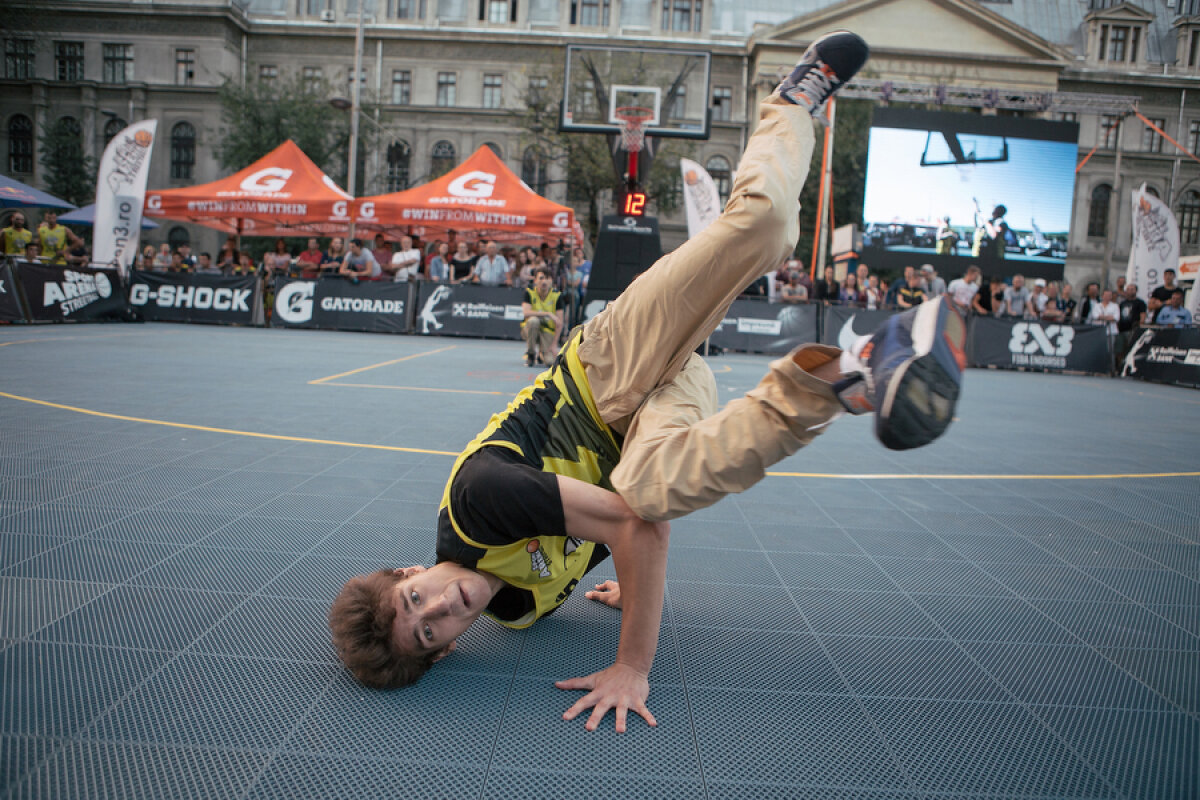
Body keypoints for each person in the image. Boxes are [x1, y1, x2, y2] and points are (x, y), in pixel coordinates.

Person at [329, 33, 966, 733]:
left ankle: (793, 104)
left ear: (404, 572)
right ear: (446, 652)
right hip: (660, 410)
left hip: (604, 370)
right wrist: (624, 578)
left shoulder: (477, 503)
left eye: (416, 600)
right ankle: (858, 370)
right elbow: (628, 523)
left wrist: (632, 658)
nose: (440, 609)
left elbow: (633, 531)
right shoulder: (518, 612)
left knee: (764, 226)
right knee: (652, 490)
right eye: (429, 632)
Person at [520, 264, 565, 367]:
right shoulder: (529, 292)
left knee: (550, 362)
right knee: (533, 321)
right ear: (535, 280)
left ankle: (542, 354)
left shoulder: (557, 295)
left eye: (547, 278)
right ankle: (531, 353)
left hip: (548, 331)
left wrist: (554, 345)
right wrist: (548, 314)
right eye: (541, 278)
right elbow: (526, 313)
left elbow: (559, 322)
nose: (544, 281)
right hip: (530, 329)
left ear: (552, 281)